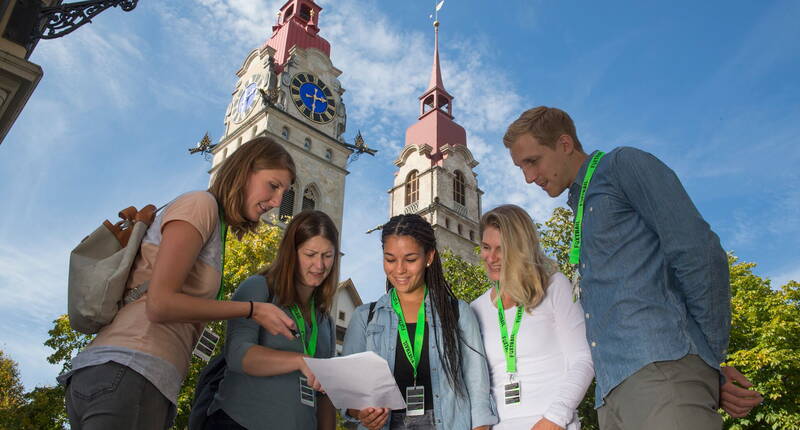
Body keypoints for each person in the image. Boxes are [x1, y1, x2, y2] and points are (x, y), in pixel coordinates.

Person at [502, 106, 763, 429]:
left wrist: (710, 359)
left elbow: (699, 251)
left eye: (532, 161)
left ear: (565, 144)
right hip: (611, 396)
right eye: (521, 168)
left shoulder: (622, 165)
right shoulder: (581, 209)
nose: (529, 178)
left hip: (660, 376)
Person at [60, 137, 299, 430]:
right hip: (131, 370)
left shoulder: (212, 220)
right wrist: (251, 310)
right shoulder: (201, 205)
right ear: (244, 171)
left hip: (131, 376)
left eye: (284, 192)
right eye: (273, 186)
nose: (276, 202)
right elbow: (160, 304)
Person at [342, 214, 498, 430]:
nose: (399, 270)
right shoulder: (364, 317)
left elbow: (478, 389)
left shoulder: (458, 312)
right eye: (390, 259)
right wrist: (361, 412)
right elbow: (350, 395)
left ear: (429, 257)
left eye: (410, 259)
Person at [204, 210, 339, 429]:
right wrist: (299, 361)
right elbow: (238, 355)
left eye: (328, 256)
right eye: (311, 254)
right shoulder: (258, 288)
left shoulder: (326, 322)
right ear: (291, 253)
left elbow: (325, 395)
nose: (320, 265)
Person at [471, 204, 593, 430]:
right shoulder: (475, 308)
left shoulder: (555, 286)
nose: (491, 257)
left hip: (552, 424)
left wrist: (555, 418)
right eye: (486, 247)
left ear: (521, 249)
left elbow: (583, 360)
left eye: (501, 249)